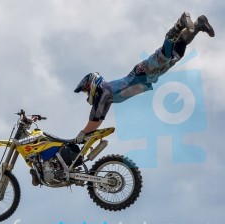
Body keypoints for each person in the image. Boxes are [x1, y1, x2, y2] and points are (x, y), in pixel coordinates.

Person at [74, 12, 215, 144]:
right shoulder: (107, 98)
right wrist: (86, 134)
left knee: (164, 56)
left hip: (142, 72)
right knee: (175, 54)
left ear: (92, 82)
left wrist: (82, 133)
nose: (87, 93)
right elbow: (98, 119)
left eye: (86, 89)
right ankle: (198, 25)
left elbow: (94, 118)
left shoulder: (103, 90)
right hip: (148, 77)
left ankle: (179, 24)